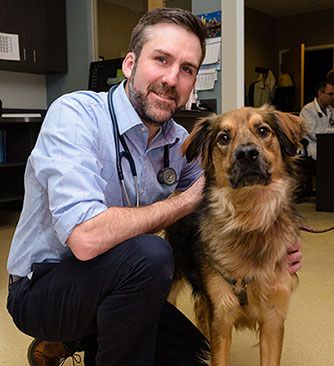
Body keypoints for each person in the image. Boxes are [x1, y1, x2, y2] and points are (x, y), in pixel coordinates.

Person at [6, 7, 302, 366]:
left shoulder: (178, 141)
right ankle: (66, 333)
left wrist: (281, 238)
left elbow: (223, 195)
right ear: (130, 64)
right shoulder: (75, 115)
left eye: (187, 69)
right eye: (161, 59)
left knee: (194, 353)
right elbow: (84, 239)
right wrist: (183, 202)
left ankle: (82, 338)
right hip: (44, 287)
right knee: (151, 255)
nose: (171, 78)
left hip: (123, 282)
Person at [299, 81, 334, 160]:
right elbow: (314, 134)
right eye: (330, 94)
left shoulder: (331, 109)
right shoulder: (307, 110)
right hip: (313, 146)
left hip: (328, 144)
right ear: (320, 94)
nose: (333, 97)